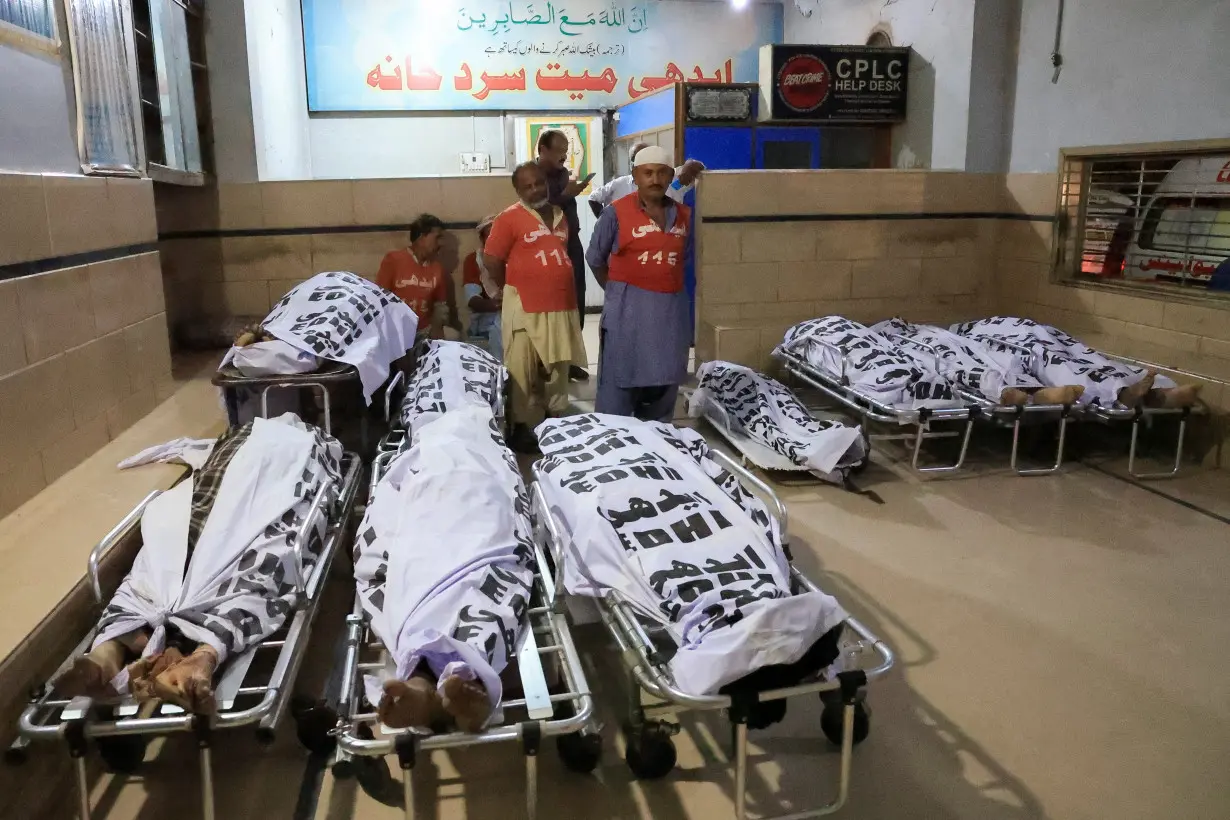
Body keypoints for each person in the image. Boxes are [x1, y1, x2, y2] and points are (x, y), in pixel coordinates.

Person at [483, 161, 586, 453]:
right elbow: (491, 259)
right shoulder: (509, 218)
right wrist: (509, 287)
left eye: (539, 182)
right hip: (524, 307)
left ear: (547, 182)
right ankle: (520, 428)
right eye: (527, 186)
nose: (535, 189)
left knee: (557, 368)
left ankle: (554, 422)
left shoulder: (560, 215)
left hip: (561, 305)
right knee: (521, 369)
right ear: (518, 191)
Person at [585, 145, 693, 423]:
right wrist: (615, 290)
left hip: (670, 315)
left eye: (661, 173)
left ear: (671, 177)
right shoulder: (615, 213)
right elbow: (595, 257)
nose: (654, 179)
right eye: (647, 173)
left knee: (664, 382)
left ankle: (657, 444)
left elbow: (685, 257)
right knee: (619, 382)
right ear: (635, 175)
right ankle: (614, 445)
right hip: (627, 313)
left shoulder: (684, 216)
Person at [537, 129, 591, 382]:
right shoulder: (531, 176)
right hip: (544, 245)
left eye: (565, 150)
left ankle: (569, 362)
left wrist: (572, 190)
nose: (563, 155)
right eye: (558, 150)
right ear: (542, 150)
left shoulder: (563, 174)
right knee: (548, 303)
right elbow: (536, 206)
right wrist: (566, 195)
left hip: (571, 243)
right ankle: (545, 363)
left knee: (574, 300)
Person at [377, 213, 461, 338]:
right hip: (396, 330)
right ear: (422, 237)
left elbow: (441, 306)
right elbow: (379, 299)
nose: (440, 244)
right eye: (437, 238)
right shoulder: (393, 260)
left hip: (424, 330)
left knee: (453, 336)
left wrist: (437, 328)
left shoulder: (437, 268)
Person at [588, 141, 705, 217]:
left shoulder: (672, 179)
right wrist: (604, 223)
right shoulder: (619, 184)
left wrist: (691, 164)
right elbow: (594, 198)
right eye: (636, 158)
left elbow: (699, 169)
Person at [462, 215, 503, 359]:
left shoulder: (514, 258)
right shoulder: (473, 260)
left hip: (515, 315)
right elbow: (473, 300)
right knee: (501, 327)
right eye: (489, 235)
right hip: (487, 320)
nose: (495, 239)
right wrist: (502, 305)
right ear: (482, 239)